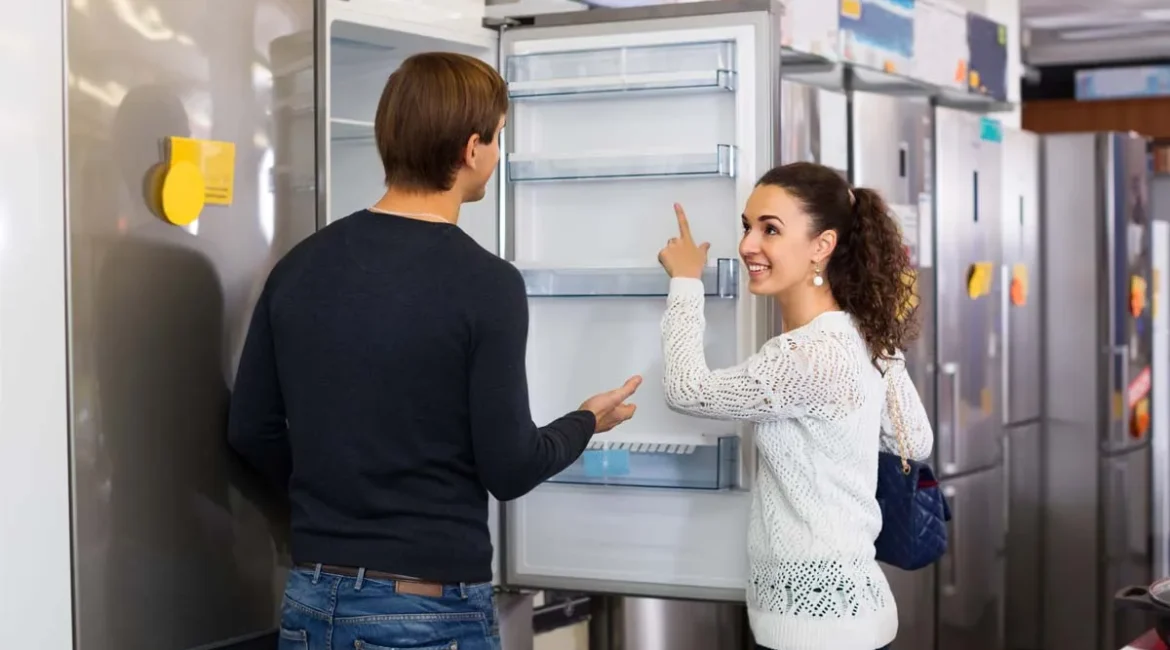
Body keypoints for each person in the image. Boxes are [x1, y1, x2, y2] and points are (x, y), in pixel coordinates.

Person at [228, 51, 642, 650]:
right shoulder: (486, 283)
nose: (498, 154)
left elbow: (250, 430)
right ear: (472, 149)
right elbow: (510, 466)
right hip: (423, 612)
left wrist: (336, 497)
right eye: (499, 137)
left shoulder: (300, 266)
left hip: (311, 600)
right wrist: (587, 422)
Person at [657, 162, 934, 650]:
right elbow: (915, 439)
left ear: (821, 247)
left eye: (770, 229)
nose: (747, 245)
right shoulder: (859, 337)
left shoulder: (803, 356)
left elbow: (687, 389)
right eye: (748, 226)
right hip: (860, 613)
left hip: (813, 631)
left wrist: (685, 283)